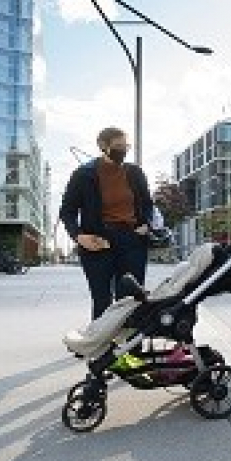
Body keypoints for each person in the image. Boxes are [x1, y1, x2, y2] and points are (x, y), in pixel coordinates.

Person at [59, 127, 154, 320]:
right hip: (97, 243)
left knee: (130, 300)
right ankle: (102, 348)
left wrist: (146, 224)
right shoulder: (83, 175)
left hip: (132, 241)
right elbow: (67, 211)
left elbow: (147, 204)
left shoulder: (135, 173)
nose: (123, 150)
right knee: (102, 300)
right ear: (103, 146)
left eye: (125, 146)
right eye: (118, 146)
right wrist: (78, 236)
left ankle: (129, 346)